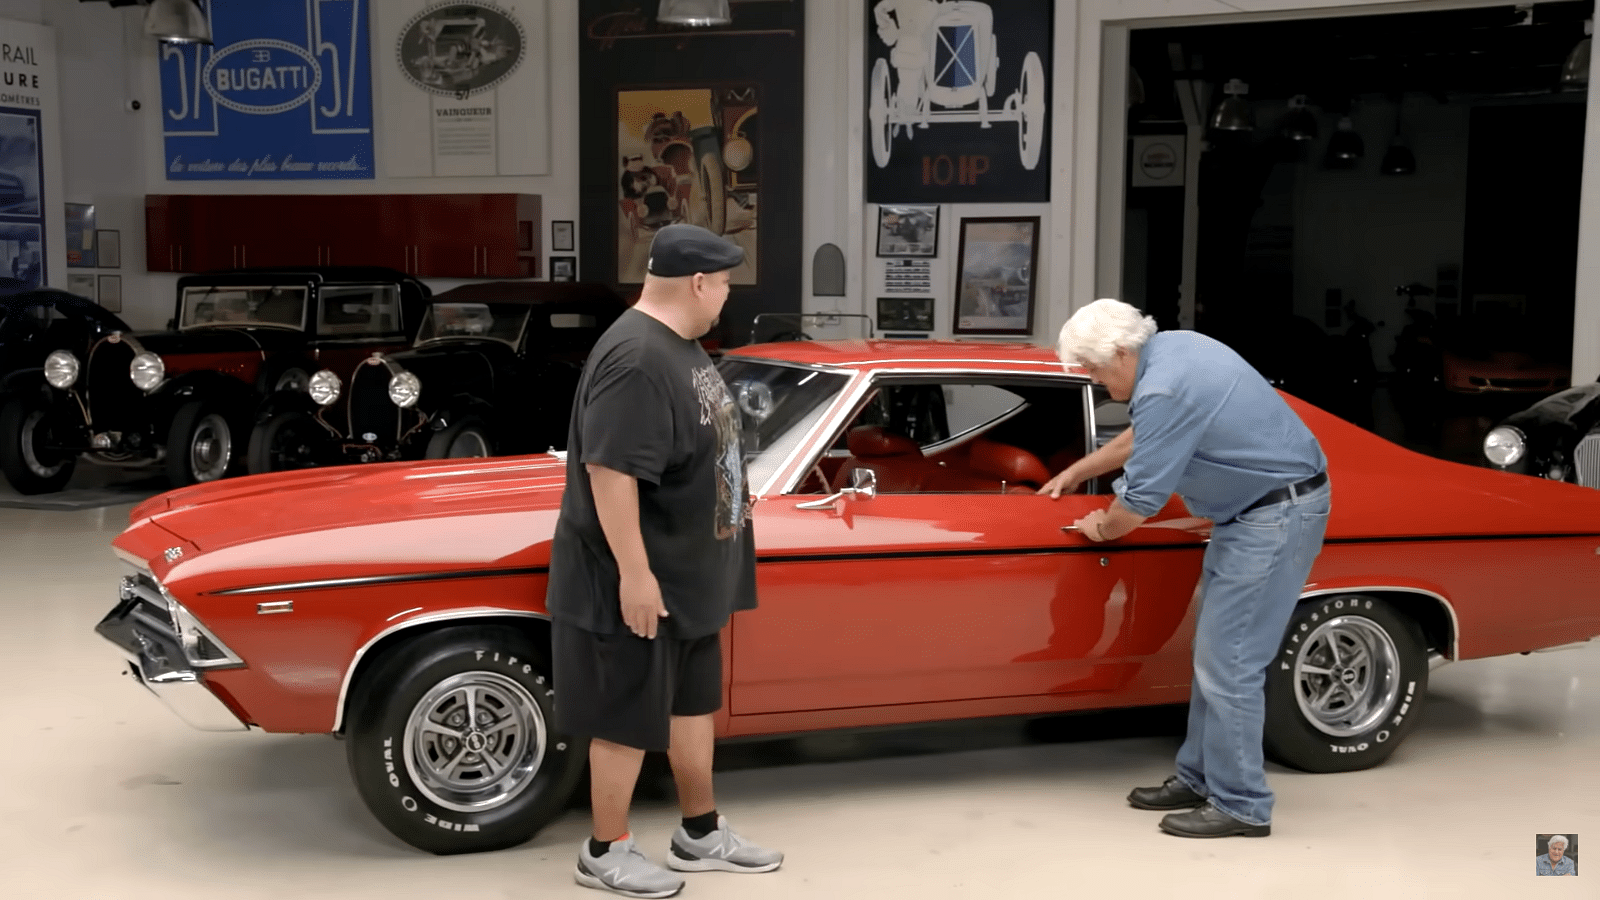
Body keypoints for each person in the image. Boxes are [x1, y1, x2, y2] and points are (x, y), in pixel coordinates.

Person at [547, 223, 782, 898]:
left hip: (689, 580)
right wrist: (636, 574)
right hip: (640, 582)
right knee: (625, 717)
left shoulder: (680, 347)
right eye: (727, 282)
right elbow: (611, 471)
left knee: (690, 707)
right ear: (699, 283)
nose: (728, 293)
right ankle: (605, 849)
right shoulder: (636, 358)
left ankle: (699, 831)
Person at [1040, 298, 1330, 839]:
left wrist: (1097, 528)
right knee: (1215, 655)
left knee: (1231, 663)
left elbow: (1138, 505)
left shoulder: (1164, 386)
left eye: (1095, 369)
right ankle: (1199, 777)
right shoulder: (1174, 349)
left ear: (1122, 353)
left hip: (1273, 515)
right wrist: (1081, 470)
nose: (1095, 381)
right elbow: (1143, 437)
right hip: (1252, 513)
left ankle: (1242, 804)